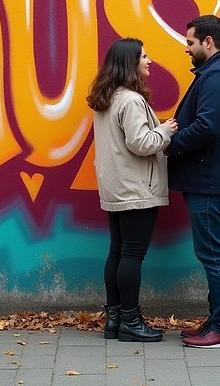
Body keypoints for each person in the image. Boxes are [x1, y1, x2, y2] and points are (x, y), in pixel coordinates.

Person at [166, 14, 220, 349]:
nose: (186, 48)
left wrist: (171, 144)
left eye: (190, 42)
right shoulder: (217, 73)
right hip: (209, 179)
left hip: (211, 181)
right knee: (212, 252)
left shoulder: (218, 75)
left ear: (208, 42)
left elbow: (207, 127)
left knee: (215, 254)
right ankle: (217, 322)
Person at [87, 38, 178, 342]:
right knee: (132, 255)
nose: (148, 61)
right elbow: (140, 144)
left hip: (115, 186)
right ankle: (131, 322)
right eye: (144, 56)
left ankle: (114, 320)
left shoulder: (107, 98)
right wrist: (165, 130)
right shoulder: (132, 101)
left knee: (117, 251)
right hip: (136, 187)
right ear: (130, 63)